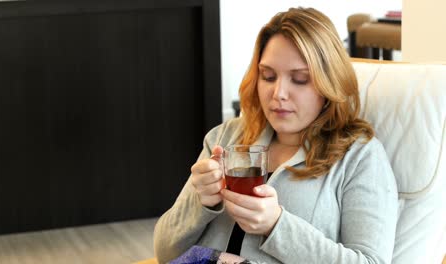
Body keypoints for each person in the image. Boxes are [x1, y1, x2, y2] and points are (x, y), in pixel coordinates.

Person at [154, 7, 398, 264]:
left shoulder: (360, 157)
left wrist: (277, 226)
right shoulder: (225, 138)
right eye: (268, 76)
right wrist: (199, 203)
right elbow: (165, 252)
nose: (278, 93)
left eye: (300, 79)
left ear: (329, 83)